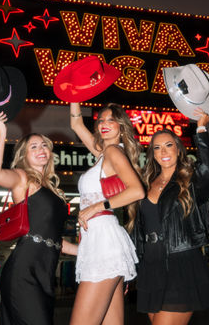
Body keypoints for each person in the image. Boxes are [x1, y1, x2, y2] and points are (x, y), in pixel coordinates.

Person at [131, 108, 209, 325]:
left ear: (179, 149)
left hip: (181, 262)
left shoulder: (191, 181)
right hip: (150, 264)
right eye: (157, 147)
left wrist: (200, 129)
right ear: (152, 153)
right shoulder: (145, 183)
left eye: (169, 145)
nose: (163, 151)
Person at [0, 110, 77, 325]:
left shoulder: (51, 189)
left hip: (45, 272)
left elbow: (53, 238)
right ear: (24, 155)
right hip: (23, 271)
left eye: (44, 145)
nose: (41, 149)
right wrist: (1, 133)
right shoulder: (22, 177)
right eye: (33, 147)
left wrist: (90, 250)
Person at [69, 102, 145, 325]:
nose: (104, 123)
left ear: (121, 126)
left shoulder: (112, 151)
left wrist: (96, 206)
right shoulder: (104, 153)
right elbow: (75, 122)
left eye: (111, 119)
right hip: (100, 238)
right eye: (100, 120)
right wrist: (74, 95)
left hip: (103, 239)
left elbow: (137, 191)